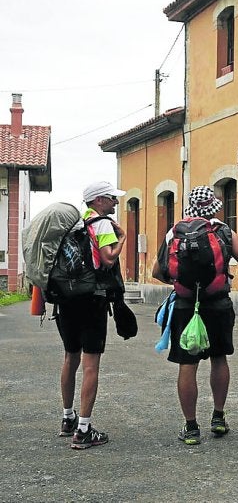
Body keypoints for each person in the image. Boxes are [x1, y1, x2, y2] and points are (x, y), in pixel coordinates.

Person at [152, 185, 238, 445]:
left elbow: (157, 271)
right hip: (218, 303)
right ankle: (218, 418)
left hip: (186, 305)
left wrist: (183, 284)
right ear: (214, 206)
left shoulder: (174, 231)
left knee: (187, 363)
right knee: (219, 358)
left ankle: (190, 428)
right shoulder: (222, 230)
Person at [57, 180, 126, 449]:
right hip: (92, 300)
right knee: (91, 363)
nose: (115, 202)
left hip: (66, 300)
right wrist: (121, 238)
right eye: (111, 198)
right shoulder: (102, 225)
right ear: (98, 200)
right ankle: (84, 430)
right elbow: (108, 259)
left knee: (69, 357)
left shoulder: (73, 223)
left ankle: (67, 419)